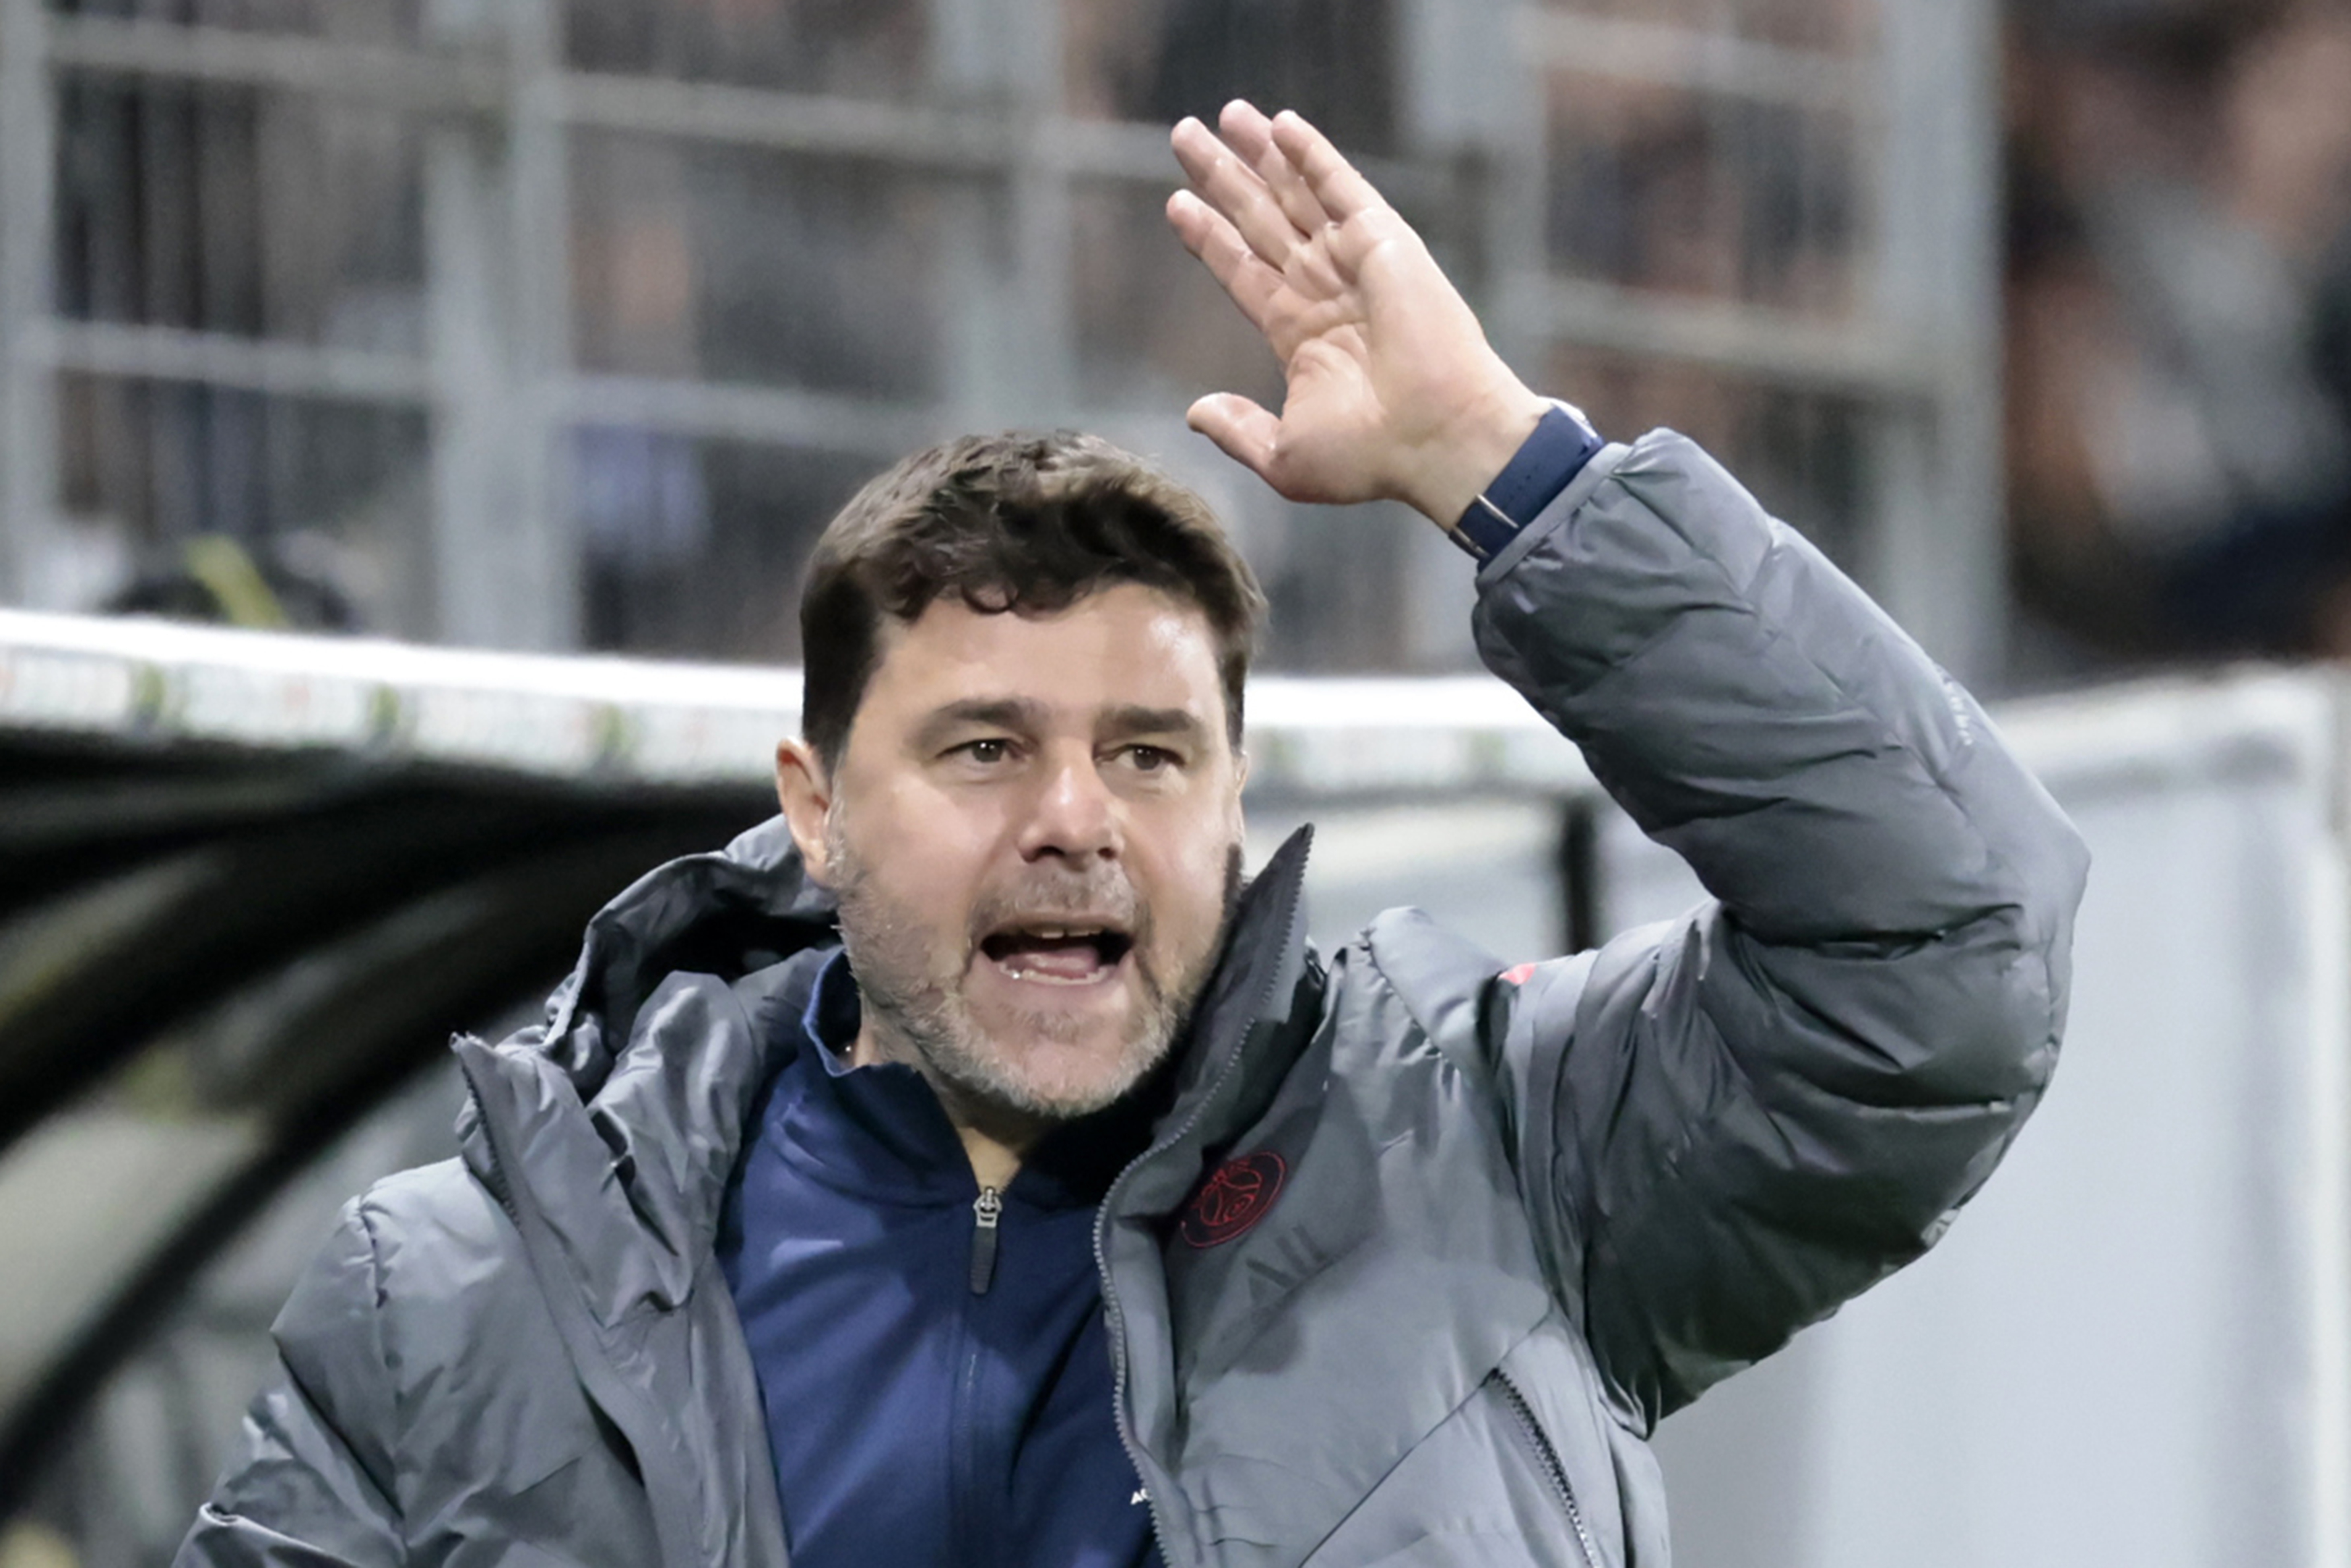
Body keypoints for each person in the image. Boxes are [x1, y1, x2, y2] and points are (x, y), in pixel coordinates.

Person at [175, 103, 2087, 1568]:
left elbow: (1948, 941)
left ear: (1235, 803)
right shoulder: (458, 1297)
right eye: (988, 748)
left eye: (1154, 753)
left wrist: (1510, 469)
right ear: (814, 807)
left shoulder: (1500, 1162)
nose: (1077, 819)